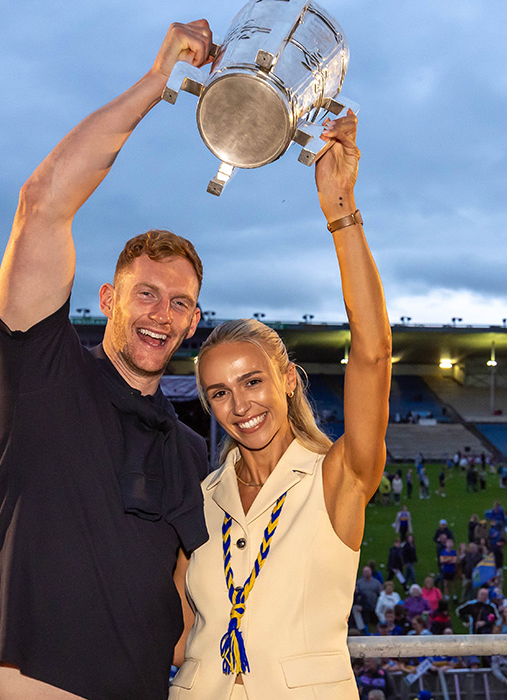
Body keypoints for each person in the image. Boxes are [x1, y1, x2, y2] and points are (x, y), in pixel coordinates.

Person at [0, 21, 215, 700]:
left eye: (180, 303)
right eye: (146, 293)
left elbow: (187, 611)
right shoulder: (43, 373)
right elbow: (42, 203)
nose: (161, 313)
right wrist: (158, 82)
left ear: (192, 323)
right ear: (108, 299)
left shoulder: (191, 452)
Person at [173, 108, 385, 700]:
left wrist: (341, 212)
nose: (239, 405)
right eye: (219, 392)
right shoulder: (200, 500)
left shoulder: (337, 478)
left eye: (252, 382)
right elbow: (177, 637)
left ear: (288, 379)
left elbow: (372, 353)